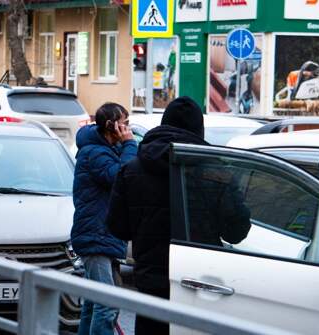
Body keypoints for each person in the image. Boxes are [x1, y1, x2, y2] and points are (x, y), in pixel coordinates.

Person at [105, 96, 251, 335]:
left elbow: (117, 227)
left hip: (151, 284)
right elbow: (236, 232)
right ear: (198, 129)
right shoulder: (216, 172)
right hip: (201, 282)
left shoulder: (132, 170)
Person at [71, 102, 137, 335]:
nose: (128, 128)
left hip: (102, 234)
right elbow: (121, 177)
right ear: (111, 126)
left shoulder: (107, 149)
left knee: (93, 303)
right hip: (95, 236)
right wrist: (130, 144)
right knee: (107, 304)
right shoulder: (94, 153)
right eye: (125, 123)